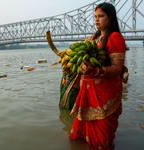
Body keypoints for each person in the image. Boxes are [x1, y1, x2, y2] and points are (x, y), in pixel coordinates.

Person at [69, 2, 126, 150]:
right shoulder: (92, 39)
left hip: (105, 96)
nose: (96, 19)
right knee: (80, 137)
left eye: (101, 16)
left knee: (103, 142)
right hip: (87, 94)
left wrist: (95, 70)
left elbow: (117, 68)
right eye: (95, 16)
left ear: (110, 18)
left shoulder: (115, 37)